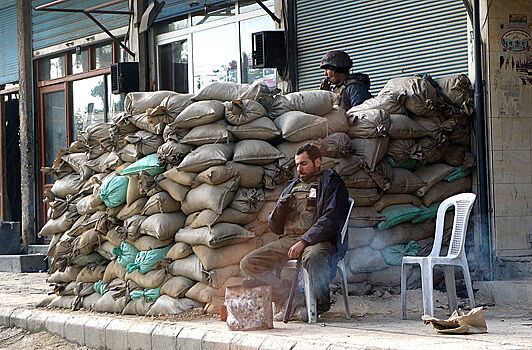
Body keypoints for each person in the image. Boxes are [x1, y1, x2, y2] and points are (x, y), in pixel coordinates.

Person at [240, 143, 349, 321]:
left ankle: (318, 303)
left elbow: (331, 220)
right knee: (249, 263)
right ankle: (290, 298)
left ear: (318, 162)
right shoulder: (292, 186)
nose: (299, 168)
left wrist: (305, 241)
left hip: (319, 241)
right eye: (297, 164)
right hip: (290, 240)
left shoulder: (331, 183)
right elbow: (275, 227)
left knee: (313, 256)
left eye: (304, 163)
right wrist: (280, 209)